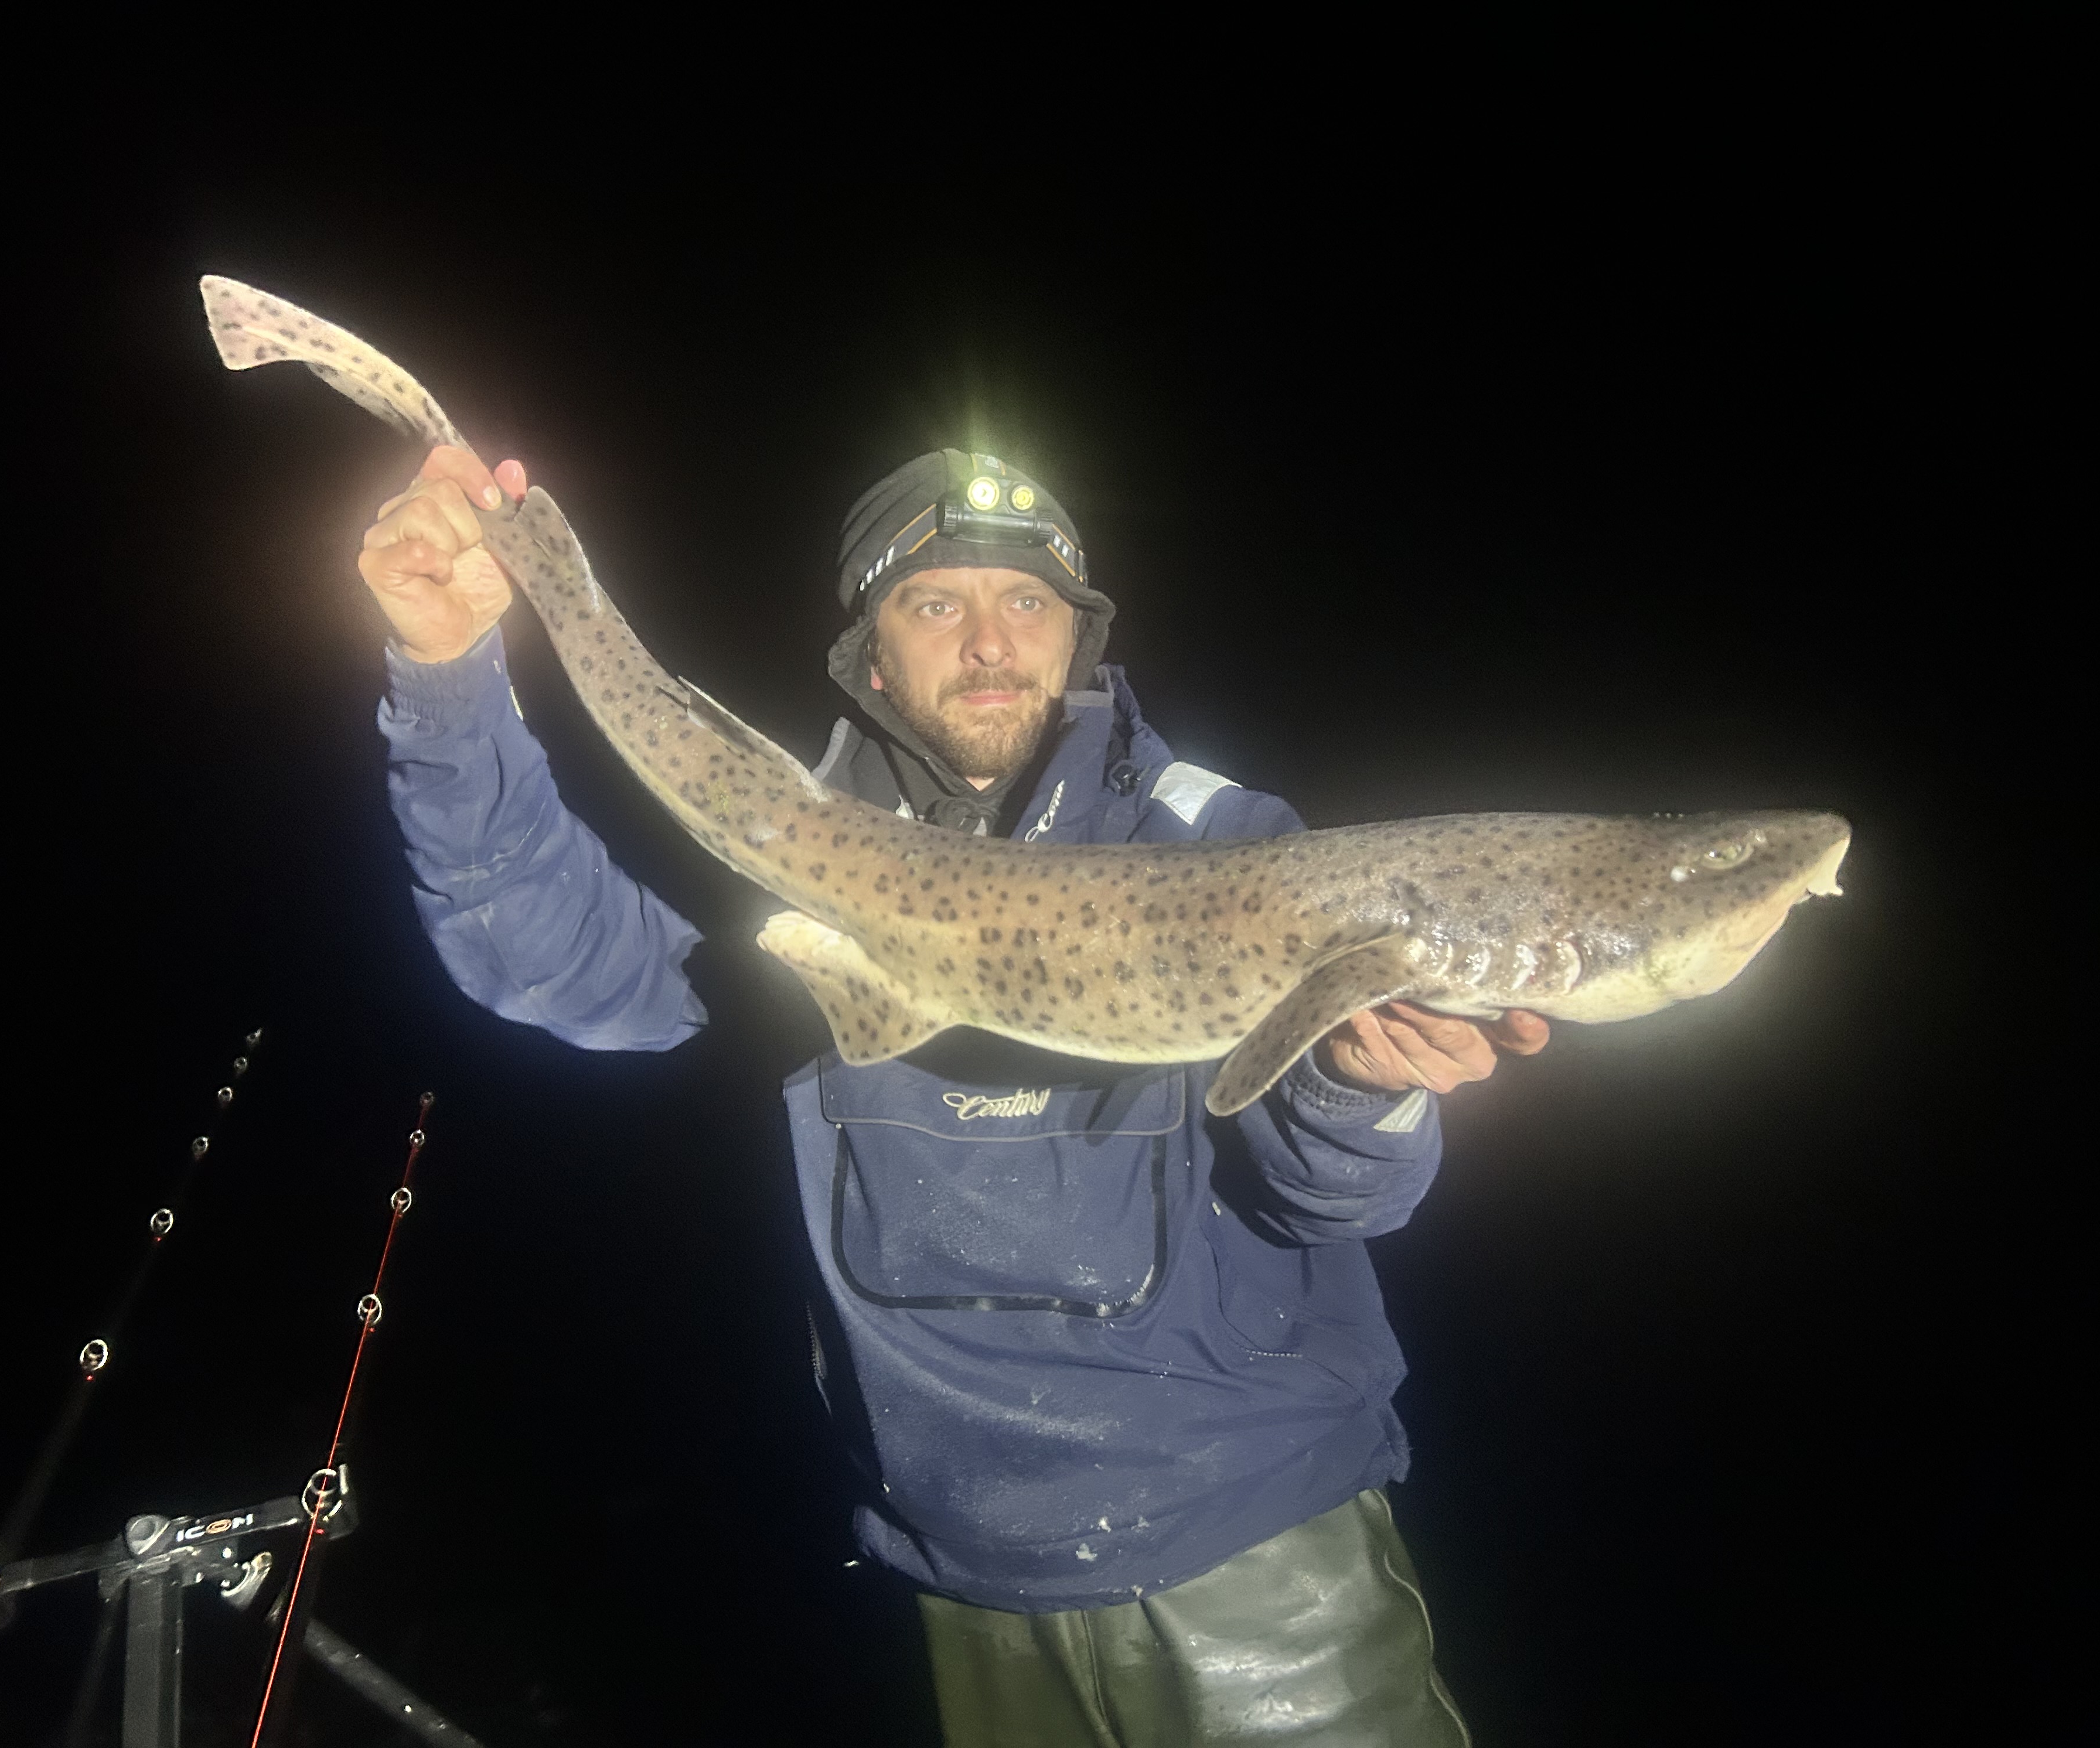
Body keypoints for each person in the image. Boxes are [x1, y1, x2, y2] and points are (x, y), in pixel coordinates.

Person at [360, 443, 1549, 1746]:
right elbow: (548, 959)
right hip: (963, 1579)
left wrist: (1362, 1084)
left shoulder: (1222, 848)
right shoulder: (803, 864)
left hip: (1258, 1561)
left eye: (1028, 604)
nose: (992, 641)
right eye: (939, 605)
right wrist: (447, 673)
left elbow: (1342, 1197)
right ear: (872, 652)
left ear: (1080, 638)